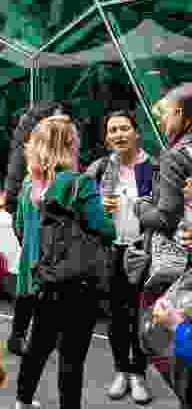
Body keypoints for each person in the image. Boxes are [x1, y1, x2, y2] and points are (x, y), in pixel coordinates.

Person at [12, 115, 115, 409]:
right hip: (75, 282)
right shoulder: (79, 184)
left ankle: (23, 401)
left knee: (37, 346)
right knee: (72, 356)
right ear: (70, 144)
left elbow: (20, 228)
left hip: (39, 277)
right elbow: (106, 230)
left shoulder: (29, 184)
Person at [85, 110, 155, 403]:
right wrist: (99, 207)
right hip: (111, 249)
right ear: (106, 137)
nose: (118, 134)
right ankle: (121, 371)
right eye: (112, 130)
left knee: (140, 314)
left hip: (143, 249)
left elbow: (166, 211)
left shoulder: (153, 168)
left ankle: (139, 374)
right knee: (115, 316)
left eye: (124, 128)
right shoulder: (101, 168)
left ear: (136, 133)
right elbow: (83, 207)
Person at [135, 84, 192, 402]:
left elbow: (165, 218)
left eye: (166, 113)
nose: (161, 121)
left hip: (177, 268)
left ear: (182, 114)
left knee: (158, 332)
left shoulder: (175, 156)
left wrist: (141, 207)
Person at [4, 100, 70, 356]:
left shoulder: (34, 158)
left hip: (32, 227)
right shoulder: (37, 164)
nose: (63, 123)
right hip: (36, 227)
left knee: (31, 279)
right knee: (36, 279)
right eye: (57, 118)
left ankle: (22, 335)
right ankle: (26, 336)